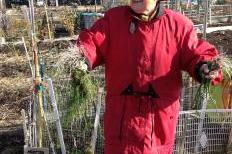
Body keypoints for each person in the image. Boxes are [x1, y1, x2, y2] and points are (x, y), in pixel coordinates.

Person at [76, 0, 222, 153]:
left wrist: (204, 66)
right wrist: (82, 58)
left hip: (158, 129)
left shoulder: (178, 26)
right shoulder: (114, 21)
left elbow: (195, 53)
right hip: (120, 129)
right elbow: (93, 41)